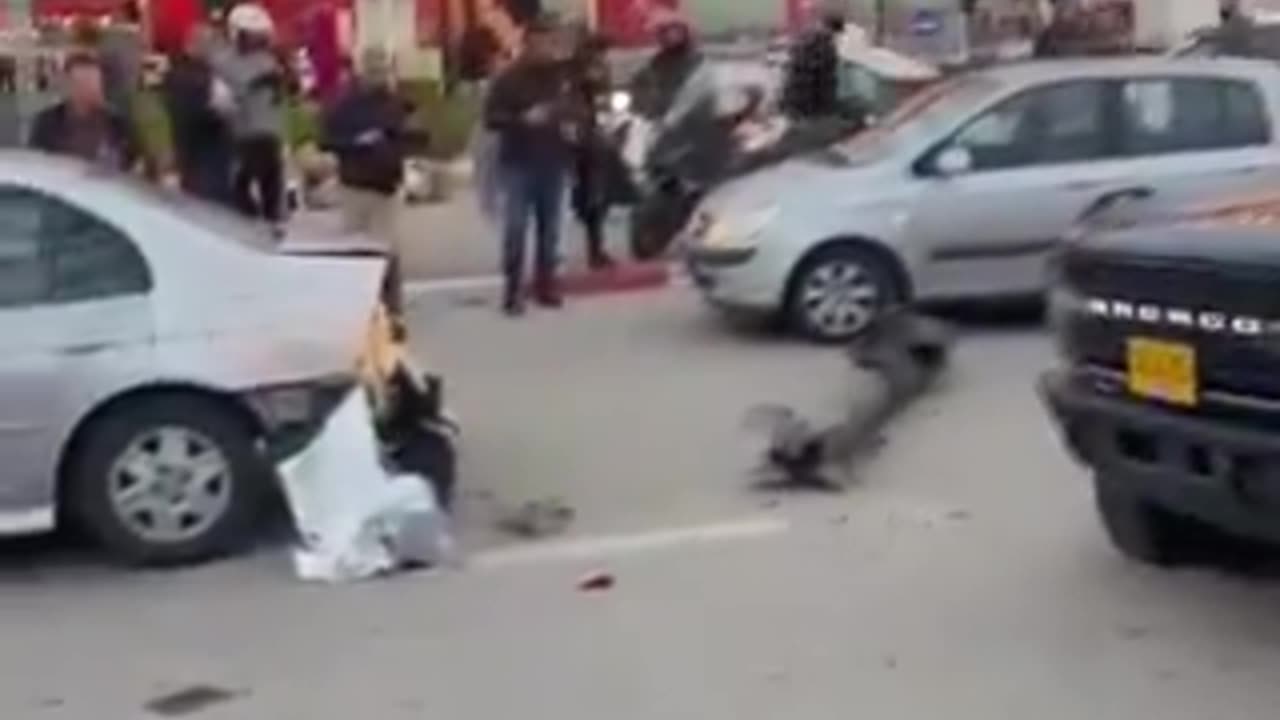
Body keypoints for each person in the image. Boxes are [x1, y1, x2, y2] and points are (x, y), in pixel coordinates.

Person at [322, 46, 426, 326]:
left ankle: (392, 310)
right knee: (356, 251)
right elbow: (327, 139)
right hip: (355, 184)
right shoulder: (344, 105)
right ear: (361, 71)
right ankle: (360, 308)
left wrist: (404, 136)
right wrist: (356, 142)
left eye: (382, 68)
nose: (378, 74)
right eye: (372, 69)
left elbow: (419, 138)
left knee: (386, 249)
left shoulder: (398, 103)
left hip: (387, 185)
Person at [484, 15, 575, 315]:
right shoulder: (508, 79)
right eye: (540, 42)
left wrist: (571, 123)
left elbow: (575, 108)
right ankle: (513, 291)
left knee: (550, 230)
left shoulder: (560, 77)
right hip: (518, 162)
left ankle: (545, 285)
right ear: (528, 43)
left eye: (551, 41)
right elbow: (491, 119)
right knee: (516, 228)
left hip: (553, 160)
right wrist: (521, 120)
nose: (546, 48)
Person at [220, 3, 292, 232]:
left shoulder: (268, 59)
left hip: (268, 133)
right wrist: (255, 83)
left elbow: (284, 94)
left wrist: (285, 76)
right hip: (242, 135)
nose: (256, 41)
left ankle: (274, 226)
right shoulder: (225, 61)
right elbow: (226, 95)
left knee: (273, 190)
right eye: (251, 36)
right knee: (240, 191)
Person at [566, 26, 623, 270]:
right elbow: (601, 98)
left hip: (580, 134)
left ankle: (595, 248)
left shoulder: (569, 69)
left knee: (592, 195)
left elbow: (604, 102)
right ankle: (595, 250)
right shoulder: (582, 70)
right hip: (582, 136)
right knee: (594, 194)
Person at [29, 53, 144, 173]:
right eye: (84, 83)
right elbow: (36, 165)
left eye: (95, 83)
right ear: (69, 86)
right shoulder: (48, 122)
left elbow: (136, 164)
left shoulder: (117, 124)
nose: (92, 89)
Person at [163, 24, 235, 205]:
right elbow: (218, 111)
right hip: (206, 165)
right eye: (210, 44)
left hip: (197, 162)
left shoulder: (178, 74)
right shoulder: (195, 78)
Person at [630, 10, 709, 131]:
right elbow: (642, 92)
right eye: (663, 31)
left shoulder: (698, 63)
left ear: (685, 33)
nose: (668, 36)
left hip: (693, 126)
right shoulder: (656, 64)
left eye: (674, 31)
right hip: (658, 126)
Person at [780, 2, 845, 119]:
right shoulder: (824, 45)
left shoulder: (806, 38)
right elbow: (825, 83)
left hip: (794, 106)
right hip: (809, 111)